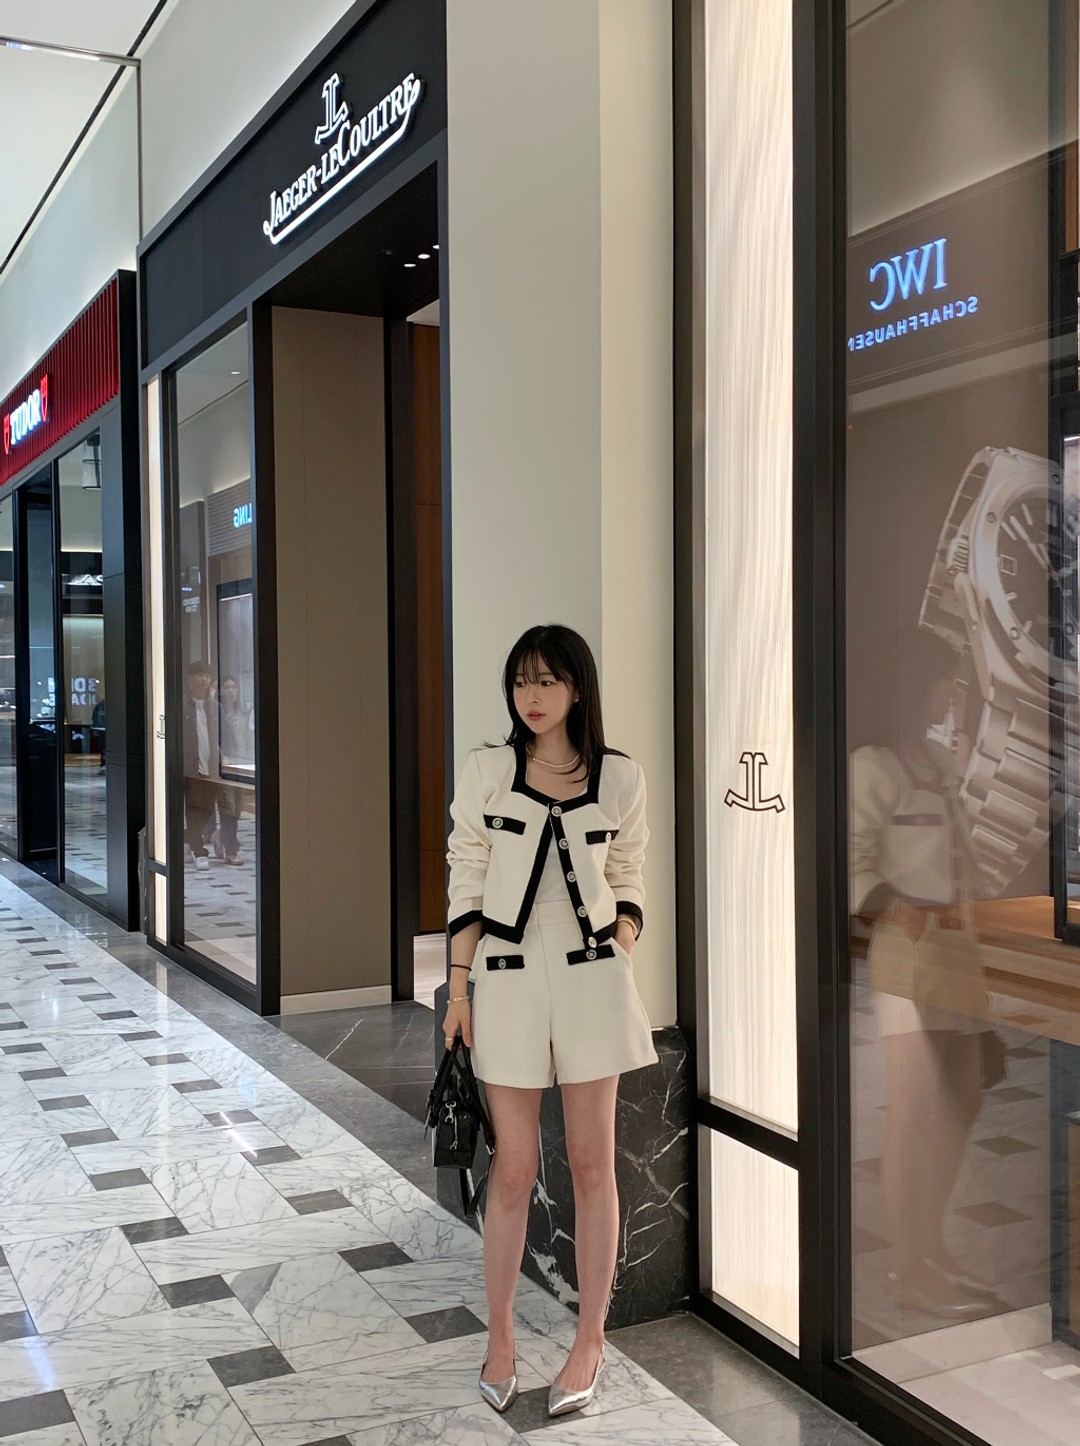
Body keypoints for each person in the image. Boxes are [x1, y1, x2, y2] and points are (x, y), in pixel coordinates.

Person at [444, 623, 657, 1418]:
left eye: (547, 681)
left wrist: (621, 941)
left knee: (593, 1164)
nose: (531, 697)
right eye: (520, 681)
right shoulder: (488, 771)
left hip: (593, 982)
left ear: (576, 688)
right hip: (505, 981)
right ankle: (499, 1338)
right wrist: (457, 992)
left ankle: (589, 1341)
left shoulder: (620, 777)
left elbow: (629, 868)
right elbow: (466, 872)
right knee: (512, 1168)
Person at [850, 629, 1002, 1320]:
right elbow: (848, 859)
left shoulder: (936, 762)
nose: (953, 691)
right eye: (947, 678)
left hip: (958, 955)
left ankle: (931, 1247)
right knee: (913, 1113)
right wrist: (893, 905)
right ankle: (908, 1270)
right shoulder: (874, 767)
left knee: (961, 1102)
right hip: (908, 959)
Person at [182, 660, 219, 873]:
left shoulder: (214, 707)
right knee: (193, 809)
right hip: (189, 767)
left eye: (207, 676)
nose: (204, 680)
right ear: (190, 679)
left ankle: (186, 837)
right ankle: (199, 851)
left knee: (207, 809)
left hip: (211, 767)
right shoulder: (182, 705)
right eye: (199, 675)